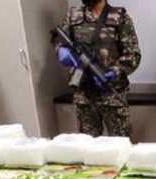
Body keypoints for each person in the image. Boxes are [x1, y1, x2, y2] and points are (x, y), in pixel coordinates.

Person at [55, 0, 141, 137]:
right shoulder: (73, 16)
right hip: (84, 96)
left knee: (119, 144)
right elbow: (59, 40)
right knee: (88, 144)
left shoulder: (119, 17)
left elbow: (133, 55)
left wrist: (114, 71)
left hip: (112, 96)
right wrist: (61, 50)